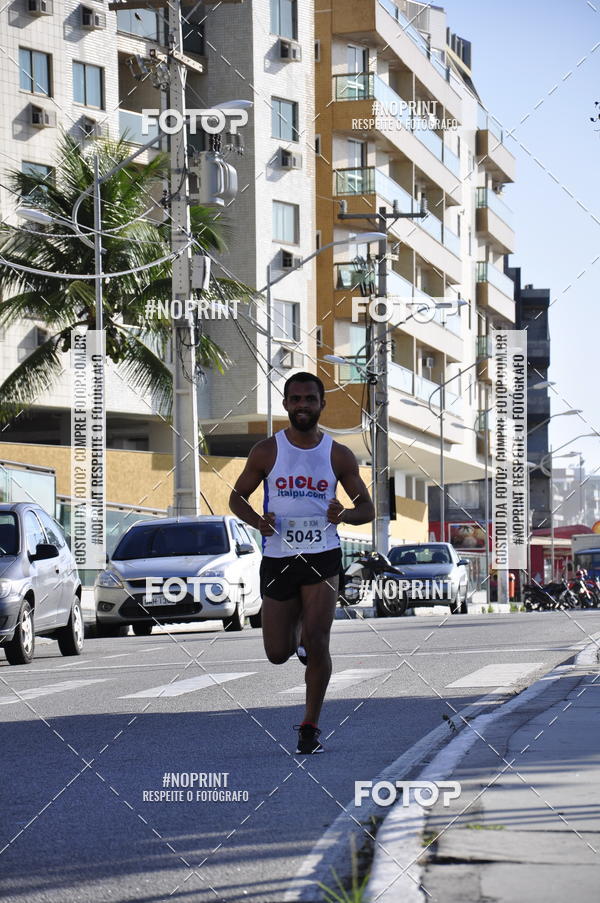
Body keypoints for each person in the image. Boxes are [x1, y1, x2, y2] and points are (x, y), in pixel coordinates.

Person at [229, 372, 375, 754]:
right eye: (295, 399)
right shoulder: (266, 451)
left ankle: (310, 726)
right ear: (285, 405)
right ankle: (298, 634)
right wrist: (257, 521)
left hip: (321, 556)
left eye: (310, 399)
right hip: (278, 558)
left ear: (321, 404)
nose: (302, 406)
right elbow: (236, 498)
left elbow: (367, 509)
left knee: (320, 639)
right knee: (277, 653)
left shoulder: (337, 454)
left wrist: (342, 515)